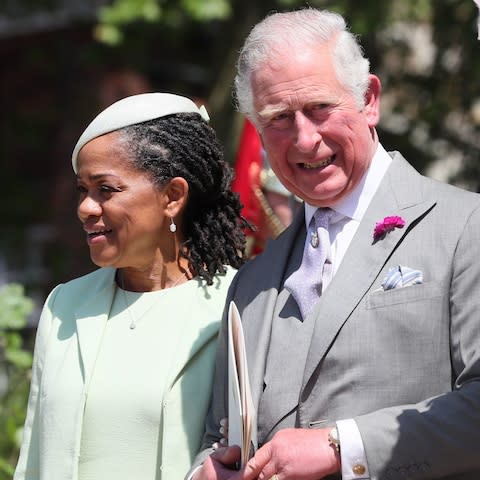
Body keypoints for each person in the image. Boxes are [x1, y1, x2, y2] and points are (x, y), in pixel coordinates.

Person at [190, 8, 480, 480]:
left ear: (368, 99)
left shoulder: (466, 226)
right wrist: (206, 472)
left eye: (319, 108)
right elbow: (219, 439)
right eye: (279, 118)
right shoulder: (252, 282)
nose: (305, 139)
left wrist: (341, 447)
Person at [14, 92, 249, 480]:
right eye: (82, 191)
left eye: (105, 190)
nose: (86, 208)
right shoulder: (65, 305)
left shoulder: (238, 304)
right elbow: (32, 461)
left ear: (172, 196)